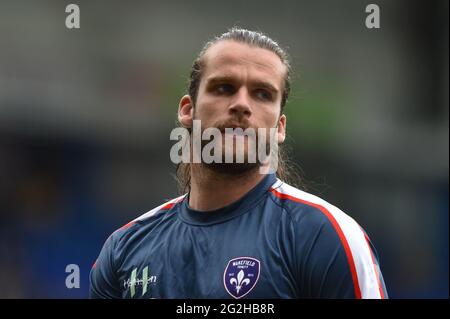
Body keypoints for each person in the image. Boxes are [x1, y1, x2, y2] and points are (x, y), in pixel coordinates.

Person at [90, 27, 388, 299]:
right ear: (187, 110)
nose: (242, 105)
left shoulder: (327, 237)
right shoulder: (124, 249)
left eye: (262, 94)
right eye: (224, 88)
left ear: (280, 127)